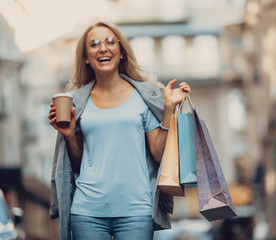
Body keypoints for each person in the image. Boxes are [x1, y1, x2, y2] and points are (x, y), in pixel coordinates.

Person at [48, 21, 191, 240]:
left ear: (121, 52)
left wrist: (169, 110)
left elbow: (157, 153)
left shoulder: (144, 96)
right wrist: (69, 136)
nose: (102, 48)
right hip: (87, 212)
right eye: (94, 44)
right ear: (86, 57)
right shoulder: (78, 102)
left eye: (110, 42)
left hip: (136, 211)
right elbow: (78, 164)